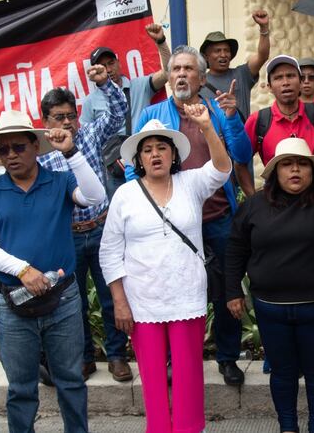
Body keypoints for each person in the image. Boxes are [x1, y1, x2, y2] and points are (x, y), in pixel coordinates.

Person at [224, 117, 314, 433]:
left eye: (302, 164)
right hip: (271, 308)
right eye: (287, 164)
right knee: (282, 373)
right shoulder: (255, 205)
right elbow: (236, 249)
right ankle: (287, 427)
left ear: (312, 170)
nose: (295, 170)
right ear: (275, 171)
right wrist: (232, 290)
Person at [0, 110, 107, 433]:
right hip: (13, 302)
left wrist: (71, 153)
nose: (11, 155)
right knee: (21, 388)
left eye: (18, 147)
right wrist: (23, 270)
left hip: (63, 299)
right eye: (3, 150)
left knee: (71, 380)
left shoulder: (59, 181)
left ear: (35, 146)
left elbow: (95, 196)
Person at [100, 106, 232, 433]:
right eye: (147, 150)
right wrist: (119, 301)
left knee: (189, 376)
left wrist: (207, 127)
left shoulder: (191, 183)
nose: (155, 154)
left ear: (173, 154)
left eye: (162, 147)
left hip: (186, 297)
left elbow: (222, 169)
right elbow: (110, 251)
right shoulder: (125, 195)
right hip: (142, 302)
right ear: (139, 159)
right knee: (153, 381)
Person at [133, 45, 253, 387]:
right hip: (171, 225)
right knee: (174, 290)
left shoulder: (217, 110)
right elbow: (133, 166)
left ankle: (228, 357)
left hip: (218, 219)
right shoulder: (152, 114)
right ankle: (176, 359)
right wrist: (145, 205)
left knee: (227, 290)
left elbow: (242, 154)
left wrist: (232, 118)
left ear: (202, 78)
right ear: (169, 78)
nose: (182, 74)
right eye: (176, 69)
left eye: (189, 69)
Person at [37, 64, 130, 382]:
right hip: (68, 237)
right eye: (58, 117)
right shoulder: (41, 155)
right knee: (73, 303)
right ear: (45, 122)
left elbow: (118, 113)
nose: (66, 122)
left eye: (70, 116)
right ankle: (85, 358)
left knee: (111, 296)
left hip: (102, 229)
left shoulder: (89, 133)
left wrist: (106, 85)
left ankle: (117, 356)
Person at [244, 26, 314, 169]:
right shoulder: (258, 121)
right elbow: (240, 161)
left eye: (291, 76)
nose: (285, 82)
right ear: (270, 87)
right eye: (278, 78)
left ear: (300, 82)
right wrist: (250, 187)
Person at [82, 23, 171, 199]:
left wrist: (161, 41)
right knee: (120, 209)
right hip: (113, 168)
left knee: (150, 205)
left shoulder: (140, 86)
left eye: (111, 63)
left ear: (119, 63)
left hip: (144, 159)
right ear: (94, 71)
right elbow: (87, 140)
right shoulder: (90, 102)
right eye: (102, 66)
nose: (108, 69)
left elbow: (169, 73)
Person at [199, 9, 271, 120]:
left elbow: (262, 56)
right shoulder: (199, 82)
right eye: (217, 51)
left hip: (240, 131)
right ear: (206, 56)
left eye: (226, 50)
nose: (223, 54)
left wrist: (264, 28)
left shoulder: (242, 74)